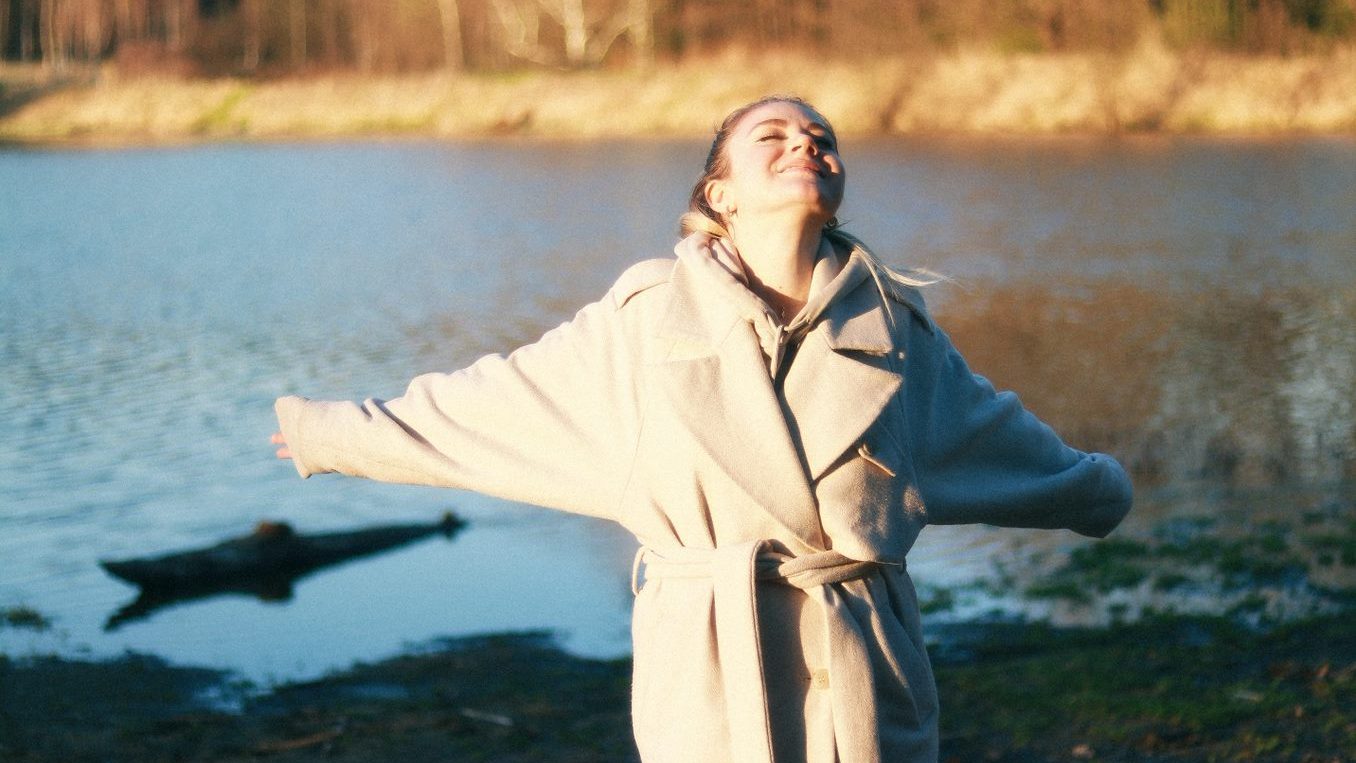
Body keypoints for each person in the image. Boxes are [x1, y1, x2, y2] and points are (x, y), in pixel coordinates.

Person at [271, 95, 1134, 763]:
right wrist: (331, 435)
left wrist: (1098, 491)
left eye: (822, 137)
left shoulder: (896, 335)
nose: (807, 143)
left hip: (867, 685)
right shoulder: (646, 321)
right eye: (776, 136)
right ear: (720, 193)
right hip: (715, 680)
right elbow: (489, 407)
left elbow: (998, 440)